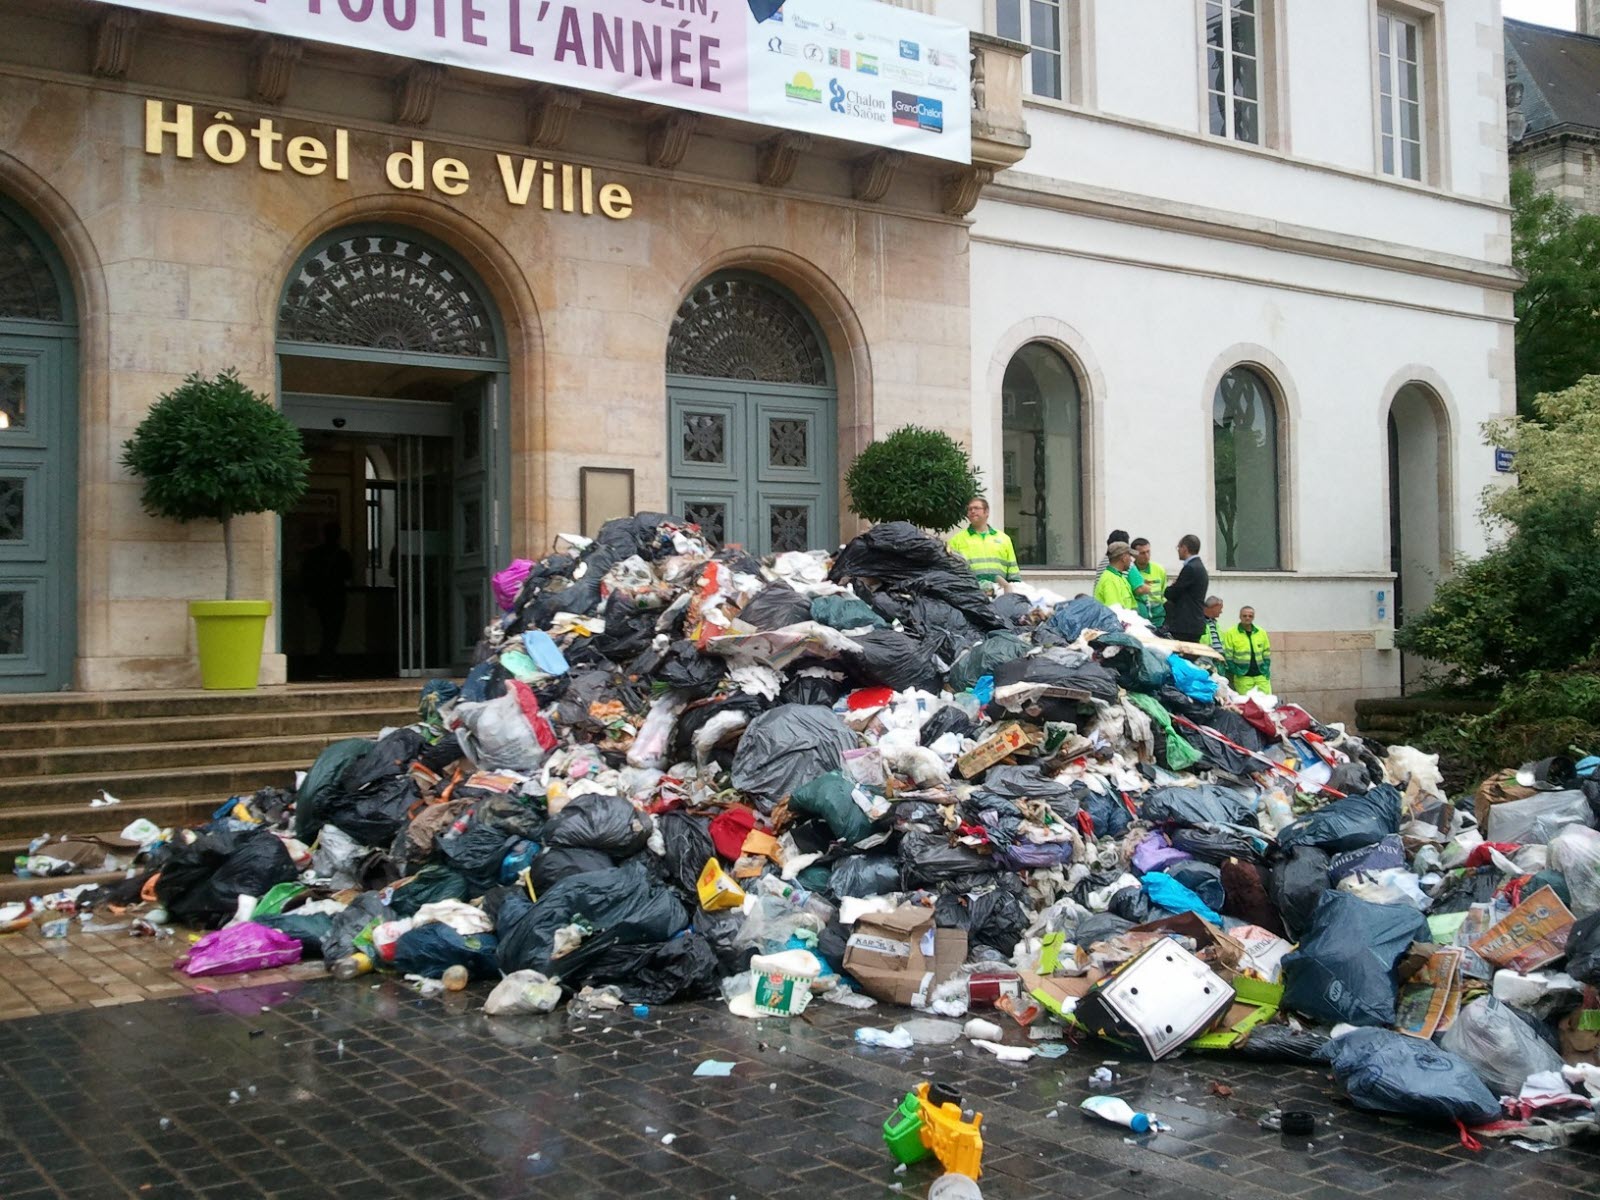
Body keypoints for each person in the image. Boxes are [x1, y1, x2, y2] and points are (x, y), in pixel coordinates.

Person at [301, 522, 353, 662]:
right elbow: (349, 574)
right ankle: (327, 657)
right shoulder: (342, 554)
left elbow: (306, 574)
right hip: (336, 596)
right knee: (333, 631)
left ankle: (326, 657)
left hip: (322, 597)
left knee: (327, 629)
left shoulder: (315, 554)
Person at [947, 497, 1021, 586]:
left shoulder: (1004, 539)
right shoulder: (956, 540)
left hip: (1000, 590)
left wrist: (1015, 586)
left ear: (986, 512)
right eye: (970, 509)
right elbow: (952, 569)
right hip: (971, 590)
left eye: (976, 508)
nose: (972, 511)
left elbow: (1012, 568)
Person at [1162, 534, 1209, 642]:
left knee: (1182, 656)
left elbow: (1172, 594)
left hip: (1186, 625)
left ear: (1185, 548)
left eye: (1178, 547)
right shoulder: (1198, 566)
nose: (1178, 550)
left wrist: (1170, 588)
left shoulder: (1190, 568)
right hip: (1193, 623)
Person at [1221, 605, 1272, 697]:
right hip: (1243, 676)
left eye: (1250, 616)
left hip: (1261, 676)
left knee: (1267, 704)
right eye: (1244, 616)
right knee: (1247, 706)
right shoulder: (1231, 633)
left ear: (1253, 617)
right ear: (1240, 616)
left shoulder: (1261, 632)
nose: (1247, 618)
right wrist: (1236, 671)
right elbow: (1228, 656)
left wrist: (1265, 669)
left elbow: (1266, 653)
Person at [1093, 541, 1139, 610]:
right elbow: (1116, 611)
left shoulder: (1119, 577)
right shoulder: (1111, 580)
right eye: (1130, 555)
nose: (1131, 560)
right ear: (1124, 558)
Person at [1132, 538, 1167, 626]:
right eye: (1142, 553)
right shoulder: (1130, 572)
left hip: (1158, 618)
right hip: (1139, 618)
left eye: (1148, 552)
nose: (1147, 556)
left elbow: (1164, 593)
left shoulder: (1159, 569)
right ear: (1134, 555)